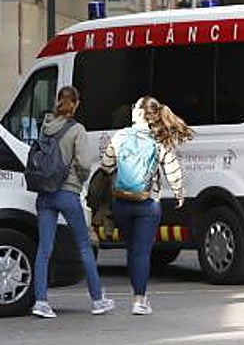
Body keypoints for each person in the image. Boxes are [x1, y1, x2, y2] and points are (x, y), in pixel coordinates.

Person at [99, 95, 192, 315]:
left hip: (121, 202)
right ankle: (139, 300)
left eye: (134, 106)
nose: (131, 109)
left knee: (132, 250)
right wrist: (179, 192)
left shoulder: (120, 136)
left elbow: (106, 165)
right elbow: (172, 168)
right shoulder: (157, 139)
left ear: (139, 113)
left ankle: (137, 292)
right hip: (148, 202)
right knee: (142, 252)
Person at [30, 86, 114, 319]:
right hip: (67, 193)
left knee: (44, 249)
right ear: (76, 104)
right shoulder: (77, 129)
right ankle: (97, 300)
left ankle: (41, 301)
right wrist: (80, 178)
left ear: (58, 102)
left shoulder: (45, 127)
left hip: (44, 193)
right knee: (84, 246)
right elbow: (85, 163)